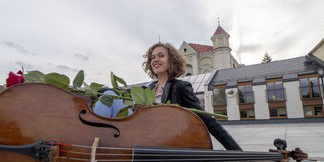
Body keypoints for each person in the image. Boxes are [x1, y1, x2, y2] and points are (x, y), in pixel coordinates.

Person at [94, 42, 243, 151]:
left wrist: (235, 150)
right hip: (137, 129)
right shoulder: (148, 88)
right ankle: (90, 140)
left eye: (161, 56)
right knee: (109, 94)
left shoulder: (180, 87)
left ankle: (88, 142)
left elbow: (208, 121)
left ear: (171, 60)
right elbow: (123, 95)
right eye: (152, 57)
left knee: (109, 95)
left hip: (158, 137)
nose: (155, 59)